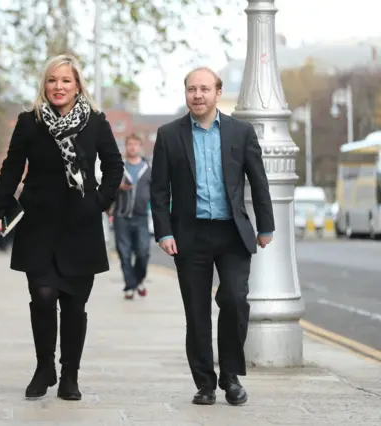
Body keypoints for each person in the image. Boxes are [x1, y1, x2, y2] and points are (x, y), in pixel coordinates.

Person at [0, 54, 123, 401]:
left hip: (81, 225)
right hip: (38, 225)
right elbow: (12, 167)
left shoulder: (95, 122)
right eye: (52, 80)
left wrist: (99, 202)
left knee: (74, 306)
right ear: (44, 85)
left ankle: (70, 377)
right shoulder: (29, 122)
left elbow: (114, 165)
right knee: (44, 296)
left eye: (65, 80)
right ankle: (44, 366)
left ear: (77, 85)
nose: (58, 87)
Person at [150, 66, 274, 406]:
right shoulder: (169, 135)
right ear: (186, 93)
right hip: (190, 236)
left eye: (205, 88)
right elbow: (158, 190)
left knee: (234, 300)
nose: (198, 95)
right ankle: (204, 383)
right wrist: (163, 231)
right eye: (192, 89)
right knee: (196, 312)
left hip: (232, 234)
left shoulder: (241, 132)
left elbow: (258, 180)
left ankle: (230, 377)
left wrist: (266, 226)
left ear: (218, 92)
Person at [111, 133, 152, 300]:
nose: (133, 147)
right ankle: (130, 286)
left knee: (143, 252)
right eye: (130, 144)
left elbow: (157, 191)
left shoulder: (148, 168)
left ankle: (138, 280)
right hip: (121, 216)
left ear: (140, 147)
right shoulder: (118, 168)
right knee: (124, 253)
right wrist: (117, 186)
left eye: (136, 144)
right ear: (125, 147)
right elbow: (107, 188)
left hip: (141, 217)